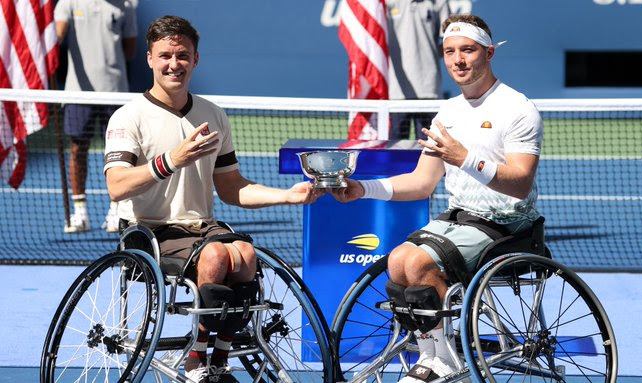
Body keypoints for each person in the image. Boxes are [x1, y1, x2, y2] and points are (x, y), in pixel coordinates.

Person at [103, 15, 321, 383]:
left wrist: (287, 196)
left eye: (183, 56)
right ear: (150, 59)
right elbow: (117, 186)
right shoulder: (129, 117)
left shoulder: (213, 114)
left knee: (246, 254)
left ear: (196, 59)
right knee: (219, 254)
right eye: (166, 55)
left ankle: (217, 358)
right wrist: (172, 160)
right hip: (148, 232)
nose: (175, 64)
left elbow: (232, 187)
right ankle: (194, 359)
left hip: (201, 227)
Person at [331, 14, 543, 382]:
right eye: (450, 52)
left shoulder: (518, 108)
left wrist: (463, 158)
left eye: (468, 50)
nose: (458, 60)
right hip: (460, 218)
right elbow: (422, 181)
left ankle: (442, 359)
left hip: (507, 225)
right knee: (399, 260)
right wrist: (363, 189)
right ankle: (434, 354)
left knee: (418, 265)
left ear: (489, 52)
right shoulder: (447, 113)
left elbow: (521, 184)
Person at [55, 0, 137, 233]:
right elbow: (57, 36)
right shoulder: (69, 3)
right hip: (78, 92)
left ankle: (116, 211)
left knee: (119, 154)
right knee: (77, 148)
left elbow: (130, 50)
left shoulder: (126, 5)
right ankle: (80, 213)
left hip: (115, 92)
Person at [385, 0, 451, 140]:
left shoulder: (439, 3)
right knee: (396, 149)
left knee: (429, 148)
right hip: (397, 90)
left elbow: (450, 40)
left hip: (428, 89)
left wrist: (430, 54)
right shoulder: (385, 3)